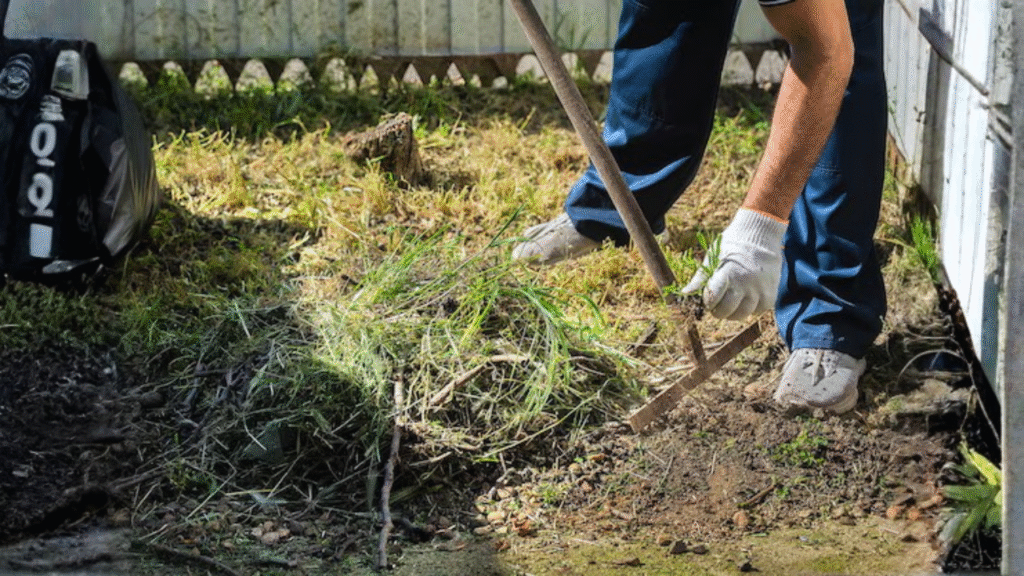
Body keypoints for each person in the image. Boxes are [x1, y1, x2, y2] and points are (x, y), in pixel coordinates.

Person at [513, 0, 887, 415]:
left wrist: (759, 230)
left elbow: (827, 49)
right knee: (664, 12)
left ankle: (827, 310)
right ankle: (621, 202)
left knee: (839, 35)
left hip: (828, 36)